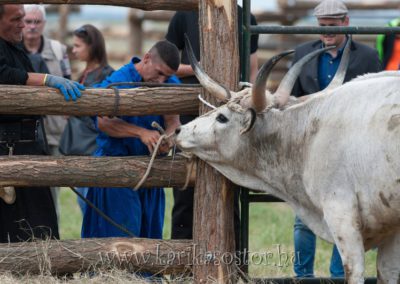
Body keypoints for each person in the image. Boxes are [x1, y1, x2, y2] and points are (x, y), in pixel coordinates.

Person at [290, 0, 382, 277]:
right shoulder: (303, 53)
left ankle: (338, 276)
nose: (327, 32)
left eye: (332, 26)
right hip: (310, 149)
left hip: (350, 150)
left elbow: (376, 102)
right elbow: (292, 100)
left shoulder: (367, 56)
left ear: (345, 23)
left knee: (345, 217)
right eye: (322, 27)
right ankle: (302, 276)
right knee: (303, 218)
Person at [165, 5, 259, 249]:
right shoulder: (184, 12)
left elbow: (251, 66)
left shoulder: (245, 16)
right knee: (185, 189)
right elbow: (168, 64)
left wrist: (248, 99)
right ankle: (181, 258)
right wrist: (200, 70)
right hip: (191, 109)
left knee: (230, 187)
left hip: (229, 113)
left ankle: (232, 258)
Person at [0, 4, 84, 242]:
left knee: (40, 219)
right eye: (16, 19)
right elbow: (5, 75)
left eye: (25, 19)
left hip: (27, 143)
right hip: (8, 145)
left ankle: (44, 269)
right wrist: (47, 79)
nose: (23, 25)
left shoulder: (13, 46)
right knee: (16, 222)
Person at [81, 40, 181, 239]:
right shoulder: (120, 80)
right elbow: (103, 123)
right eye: (159, 73)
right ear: (146, 58)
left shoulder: (170, 84)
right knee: (119, 238)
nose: (161, 81)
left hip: (150, 171)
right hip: (115, 169)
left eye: (167, 76)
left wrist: (167, 140)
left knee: (148, 237)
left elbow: (174, 122)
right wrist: (141, 133)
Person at [22, 4, 73, 221]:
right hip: (22, 133)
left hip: (53, 131)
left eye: (37, 22)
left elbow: (69, 81)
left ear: (44, 23)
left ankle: (51, 234)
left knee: (53, 189)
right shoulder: (11, 48)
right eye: (28, 21)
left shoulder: (58, 50)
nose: (32, 27)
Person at [59, 24, 114, 213]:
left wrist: (76, 112)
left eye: (77, 46)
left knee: (91, 205)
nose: (73, 51)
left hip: (94, 148)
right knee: (84, 203)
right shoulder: (84, 74)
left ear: (92, 46)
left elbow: (104, 118)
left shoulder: (108, 75)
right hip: (80, 148)